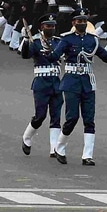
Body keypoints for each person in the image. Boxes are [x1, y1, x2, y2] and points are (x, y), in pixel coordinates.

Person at [45, 8, 107, 166]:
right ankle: (59, 148)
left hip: (88, 82)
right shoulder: (66, 39)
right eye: (78, 21)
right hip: (71, 82)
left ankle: (87, 156)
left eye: (84, 21)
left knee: (89, 120)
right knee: (72, 118)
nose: (81, 23)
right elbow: (55, 56)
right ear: (73, 23)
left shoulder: (93, 40)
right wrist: (47, 52)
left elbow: (106, 57)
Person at [21, 14, 63, 157]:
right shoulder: (36, 42)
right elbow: (25, 55)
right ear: (41, 27)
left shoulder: (58, 42)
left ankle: (54, 149)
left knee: (56, 116)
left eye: (53, 26)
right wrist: (26, 40)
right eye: (48, 26)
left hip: (56, 82)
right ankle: (27, 137)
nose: (51, 28)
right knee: (40, 116)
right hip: (41, 83)